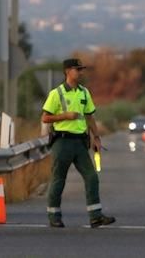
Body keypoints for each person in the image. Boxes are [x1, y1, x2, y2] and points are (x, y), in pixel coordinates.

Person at [41, 58, 116, 228]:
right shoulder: (56, 93)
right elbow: (45, 117)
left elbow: (90, 116)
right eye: (77, 69)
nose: (80, 72)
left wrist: (96, 137)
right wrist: (64, 116)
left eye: (81, 69)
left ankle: (95, 216)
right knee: (58, 179)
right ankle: (54, 216)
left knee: (91, 177)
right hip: (62, 142)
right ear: (67, 71)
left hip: (80, 143)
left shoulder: (84, 93)